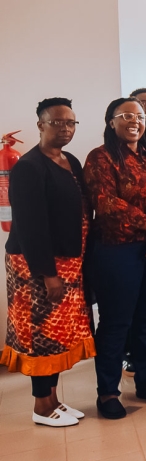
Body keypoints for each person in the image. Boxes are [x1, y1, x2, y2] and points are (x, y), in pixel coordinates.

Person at [2, 98, 94, 427]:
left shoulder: (69, 159)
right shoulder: (29, 167)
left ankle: (54, 399)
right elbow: (30, 226)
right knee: (39, 334)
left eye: (71, 122)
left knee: (59, 334)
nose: (66, 128)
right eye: (57, 122)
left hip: (69, 262)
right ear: (41, 125)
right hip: (37, 267)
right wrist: (49, 275)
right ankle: (41, 406)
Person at [84, 98, 146, 419]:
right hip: (117, 251)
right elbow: (105, 201)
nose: (134, 121)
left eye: (139, 116)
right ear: (111, 121)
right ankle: (108, 392)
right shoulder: (100, 157)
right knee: (115, 323)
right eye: (126, 116)